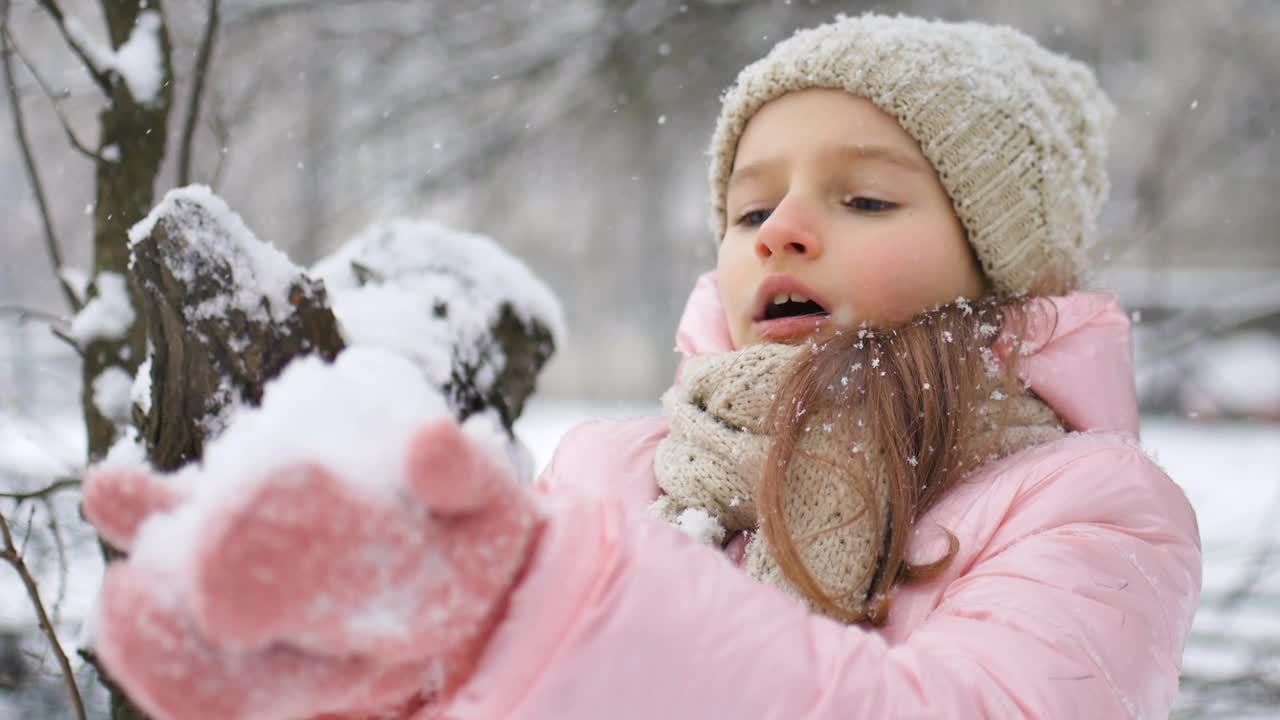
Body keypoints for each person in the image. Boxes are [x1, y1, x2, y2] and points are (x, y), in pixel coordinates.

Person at [81, 13, 1201, 720]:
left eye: (862, 197)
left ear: (994, 267)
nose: (782, 230)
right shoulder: (618, 476)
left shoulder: (1086, 509)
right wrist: (368, 666)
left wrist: (559, 598)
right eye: (750, 205)